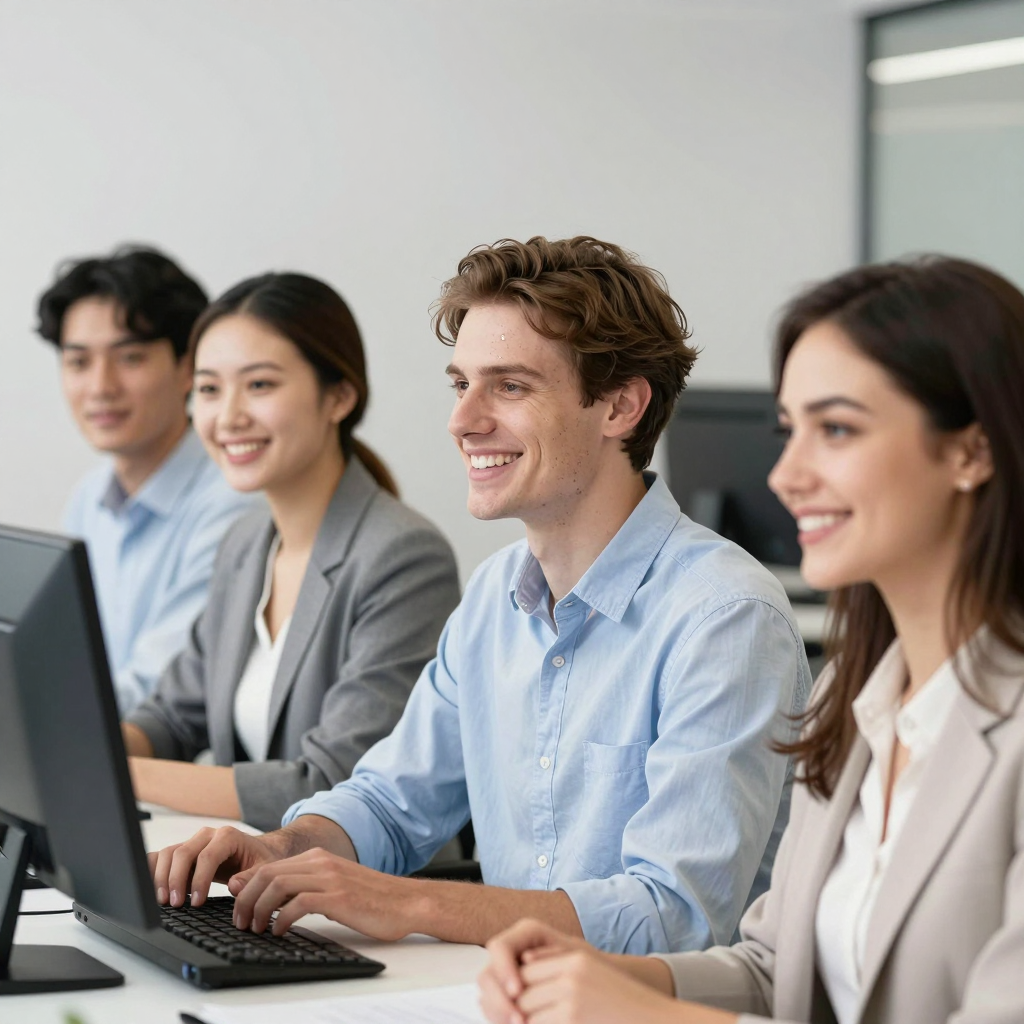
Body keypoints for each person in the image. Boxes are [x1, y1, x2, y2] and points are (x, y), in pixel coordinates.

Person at [150, 236, 808, 954]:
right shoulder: (497, 593)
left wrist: (408, 901)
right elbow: (390, 803)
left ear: (621, 406)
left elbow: (673, 916)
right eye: (461, 384)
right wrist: (284, 850)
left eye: (511, 386)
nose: (463, 421)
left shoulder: (726, 620)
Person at [478, 256, 1024, 1024]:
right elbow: (778, 973)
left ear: (972, 450)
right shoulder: (853, 700)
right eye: (788, 431)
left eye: (835, 429)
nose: (786, 475)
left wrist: (650, 1016)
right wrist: (602, 976)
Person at [121, 273, 461, 832]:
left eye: (259, 385)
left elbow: (330, 783)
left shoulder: (402, 556)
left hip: (361, 896)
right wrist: (74, 755)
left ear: (339, 397)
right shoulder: (246, 544)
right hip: (249, 884)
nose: (227, 416)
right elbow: (172, 716)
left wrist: (116, 775)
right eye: (208, 389)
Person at [38, 245, 255, 714]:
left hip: (172, 771)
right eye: (78, 362)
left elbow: (157, 690)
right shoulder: (88, 498)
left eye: (130, 358)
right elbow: (60, 660)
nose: (100, 387)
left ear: (186, 369)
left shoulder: (235, 503)